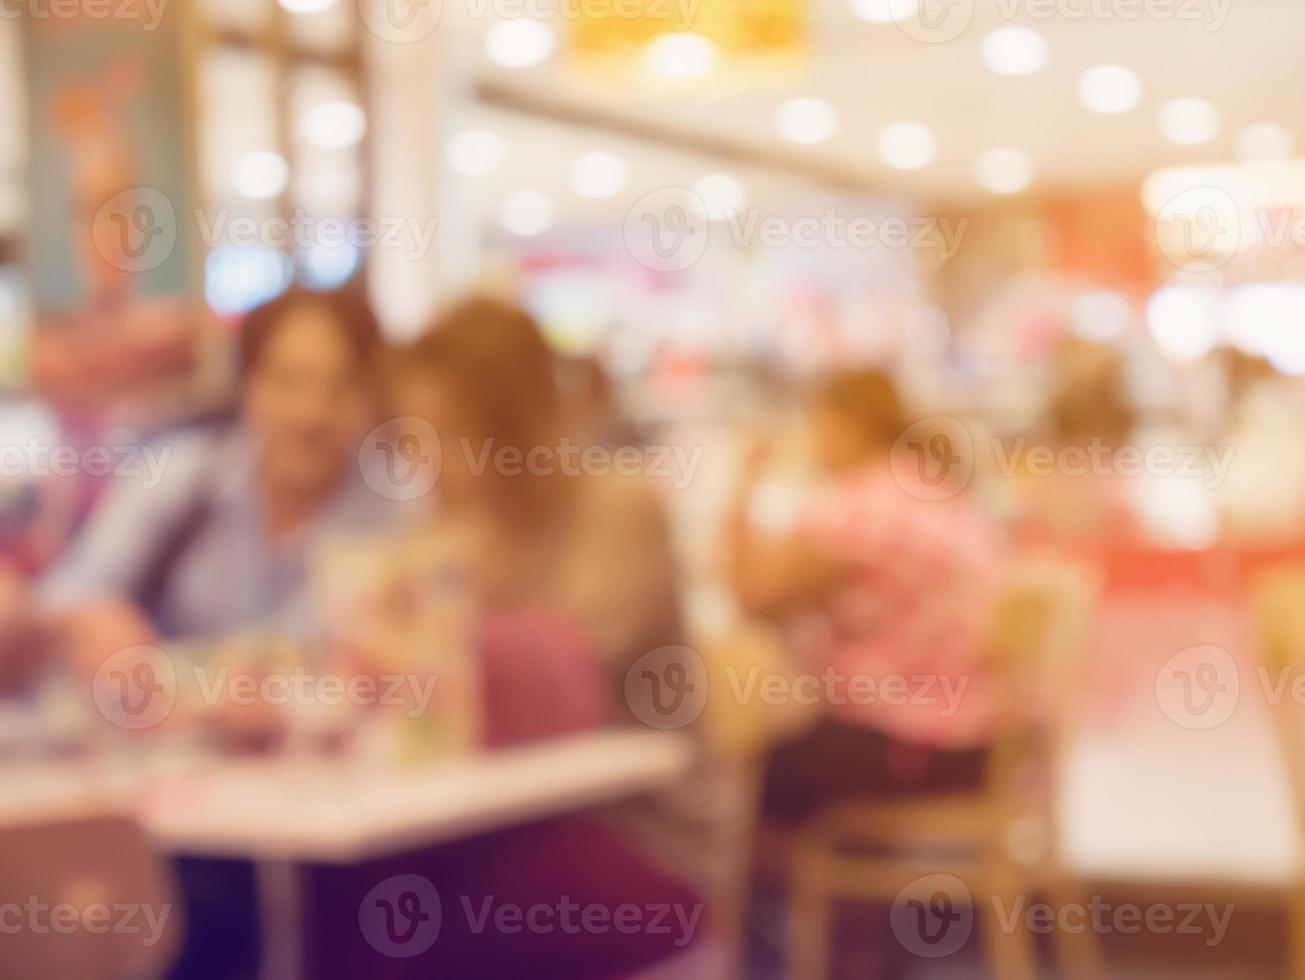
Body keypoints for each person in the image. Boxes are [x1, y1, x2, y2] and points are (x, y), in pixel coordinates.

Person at [308, 297, 701, 980]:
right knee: (326, 895)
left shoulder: (618, 510)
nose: (425, 460)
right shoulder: (438, 536)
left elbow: (562, 677)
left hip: (634, 832)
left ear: (516, 428)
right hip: (476, 826)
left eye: (449, 433)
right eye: (414, 436)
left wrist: (438, 610)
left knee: (404, 914)